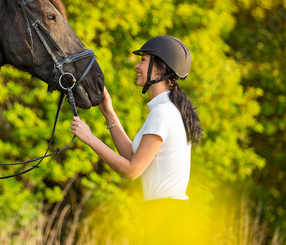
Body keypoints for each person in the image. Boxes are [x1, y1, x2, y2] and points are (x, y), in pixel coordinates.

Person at [71, 36, 203, 244]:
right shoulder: (167, 110)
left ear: (159, 69)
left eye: (143, 60)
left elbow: (132, 170)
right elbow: (132, 155)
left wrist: (90, 139)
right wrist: (109, 114)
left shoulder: (162, 113)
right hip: (167, 214)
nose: (137, 65)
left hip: (166, 217)